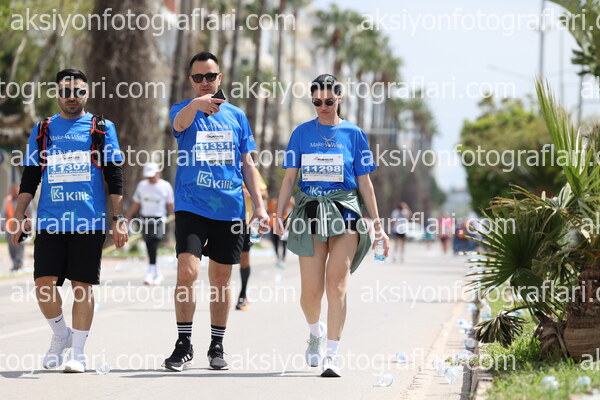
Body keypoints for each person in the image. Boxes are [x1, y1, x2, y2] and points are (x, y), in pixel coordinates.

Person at [11, 68, 127, 373]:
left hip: (89, 221)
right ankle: (61, 334)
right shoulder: (43, 129)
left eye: (78, 91)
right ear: (57, 94)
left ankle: (78, 353)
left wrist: (118, 218)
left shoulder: (102, 128)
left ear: (87, 93)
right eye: (65, 92)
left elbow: (114, 175)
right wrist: (19, 213)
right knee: (43, 286)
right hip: (51, 222)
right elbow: (31, 176)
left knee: (82, 287)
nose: (71, 97)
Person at [275, 74, 389, 377]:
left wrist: (378, 225)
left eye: (328, 101)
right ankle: (315, 332)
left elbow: (365, 183)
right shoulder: (301, 133)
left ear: (339, 98)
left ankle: (333, 355)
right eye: (316, 102)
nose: (323, 107)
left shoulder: (354, 134)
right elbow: (289, 178)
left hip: (345, 211)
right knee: (310, 294)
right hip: (311, 211)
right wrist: (278, 214)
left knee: (336, 285)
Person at [164, 51, 268, 372]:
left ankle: (217, 345)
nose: (205, 82)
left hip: (229, 208)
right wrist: (196, 105)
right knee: (187, 272)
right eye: (198, 77)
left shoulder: (237, 116)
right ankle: (183, 344)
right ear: (191, 81)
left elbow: (247, 164)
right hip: (191, 205)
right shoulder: (183, 110)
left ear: (220, 78)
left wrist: (260, 207)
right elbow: (178, 125)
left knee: (221, 280)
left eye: (210, 76)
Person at [125, 162, 174, 285]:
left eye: (152, 175)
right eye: (148, 176)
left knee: (155, 240)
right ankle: (155, 271)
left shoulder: (165, 186)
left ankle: (151, 269)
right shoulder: (142, 186)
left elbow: (170, 204)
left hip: (159, 219)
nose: (150, 178)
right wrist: (128, 215)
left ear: (158, 173)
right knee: (148, 242)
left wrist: (175, 216)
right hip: (145, 219)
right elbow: (137, 202)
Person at [236, 175, 268, 311]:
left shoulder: (251, 171)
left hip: (246, 221)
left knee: (244, 259)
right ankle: (221, 296)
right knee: (222, 259)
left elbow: (265, 193)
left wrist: (249, 193)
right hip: (224, 219)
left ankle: (242, 295)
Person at [2, 183, 31, 272]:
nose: (14, 192)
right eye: (13, 190)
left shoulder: (24, 200)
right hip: (10, 227)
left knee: (20, 245)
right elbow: (3, 213)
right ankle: (15, 263)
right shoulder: (7, 200)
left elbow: (30, 213)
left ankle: (19, 263)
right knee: (11, 246)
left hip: (22, 227)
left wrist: (30, 225)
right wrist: (2, 225)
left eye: (16, 190)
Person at [267, 196, 295, 269]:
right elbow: (268, 211)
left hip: (284, 225)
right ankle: (278, 258)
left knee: (284, 243)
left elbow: (293, 202)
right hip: (273, 224)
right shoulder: (273, 202)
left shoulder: (286, 202)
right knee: (275, 243)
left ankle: (283, 259)